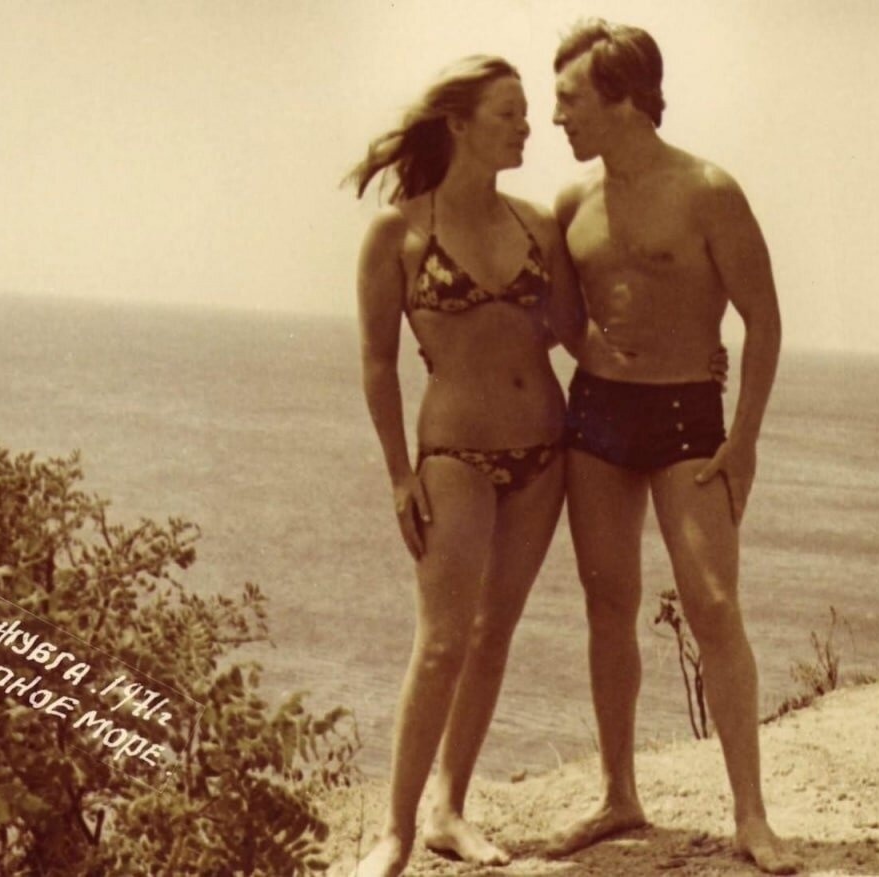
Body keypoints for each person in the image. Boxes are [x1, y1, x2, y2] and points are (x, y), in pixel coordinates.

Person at [545, 19, 801, 875]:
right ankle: (620, 792)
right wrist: (590, 355)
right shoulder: (571, 204)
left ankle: (752, 816)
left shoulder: (707, 190)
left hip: (691, 415)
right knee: (606, 603)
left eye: (571, 98)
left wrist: (748, 437)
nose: (557, 117)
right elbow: (560, 317)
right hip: (598, 418)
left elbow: (763, 316)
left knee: (715, 604)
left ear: (622, 98)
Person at [345, 55, 585, 876]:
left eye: (526, 113)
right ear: (458, 122)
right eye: (509, 112)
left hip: (543, 448)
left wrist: (672, 353)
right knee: (443, 641)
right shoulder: (399, 231)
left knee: (494, 633)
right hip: (451, 454)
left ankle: (449, 808)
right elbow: (379, 362)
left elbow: (573, 332)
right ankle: (395, 831)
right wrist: (396, 476)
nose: (528, 125)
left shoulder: (538, 226)